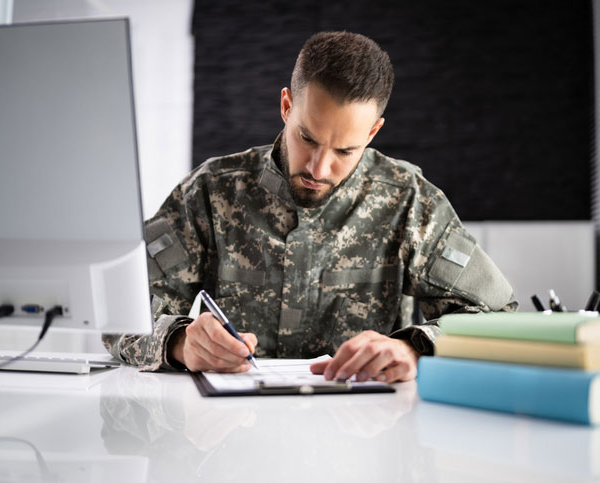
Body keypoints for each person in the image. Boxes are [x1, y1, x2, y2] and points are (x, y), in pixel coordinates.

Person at [103, 31, 516, 382]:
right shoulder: (211, 192)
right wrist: (179, 342)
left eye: (345, 150)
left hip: (370, 440)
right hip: (236, 436)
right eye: (308, 138)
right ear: (286, 106)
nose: (319, 168)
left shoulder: (409, 201)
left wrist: (413, 349)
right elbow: (117, 310)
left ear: (373, 132)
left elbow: (498, 319)